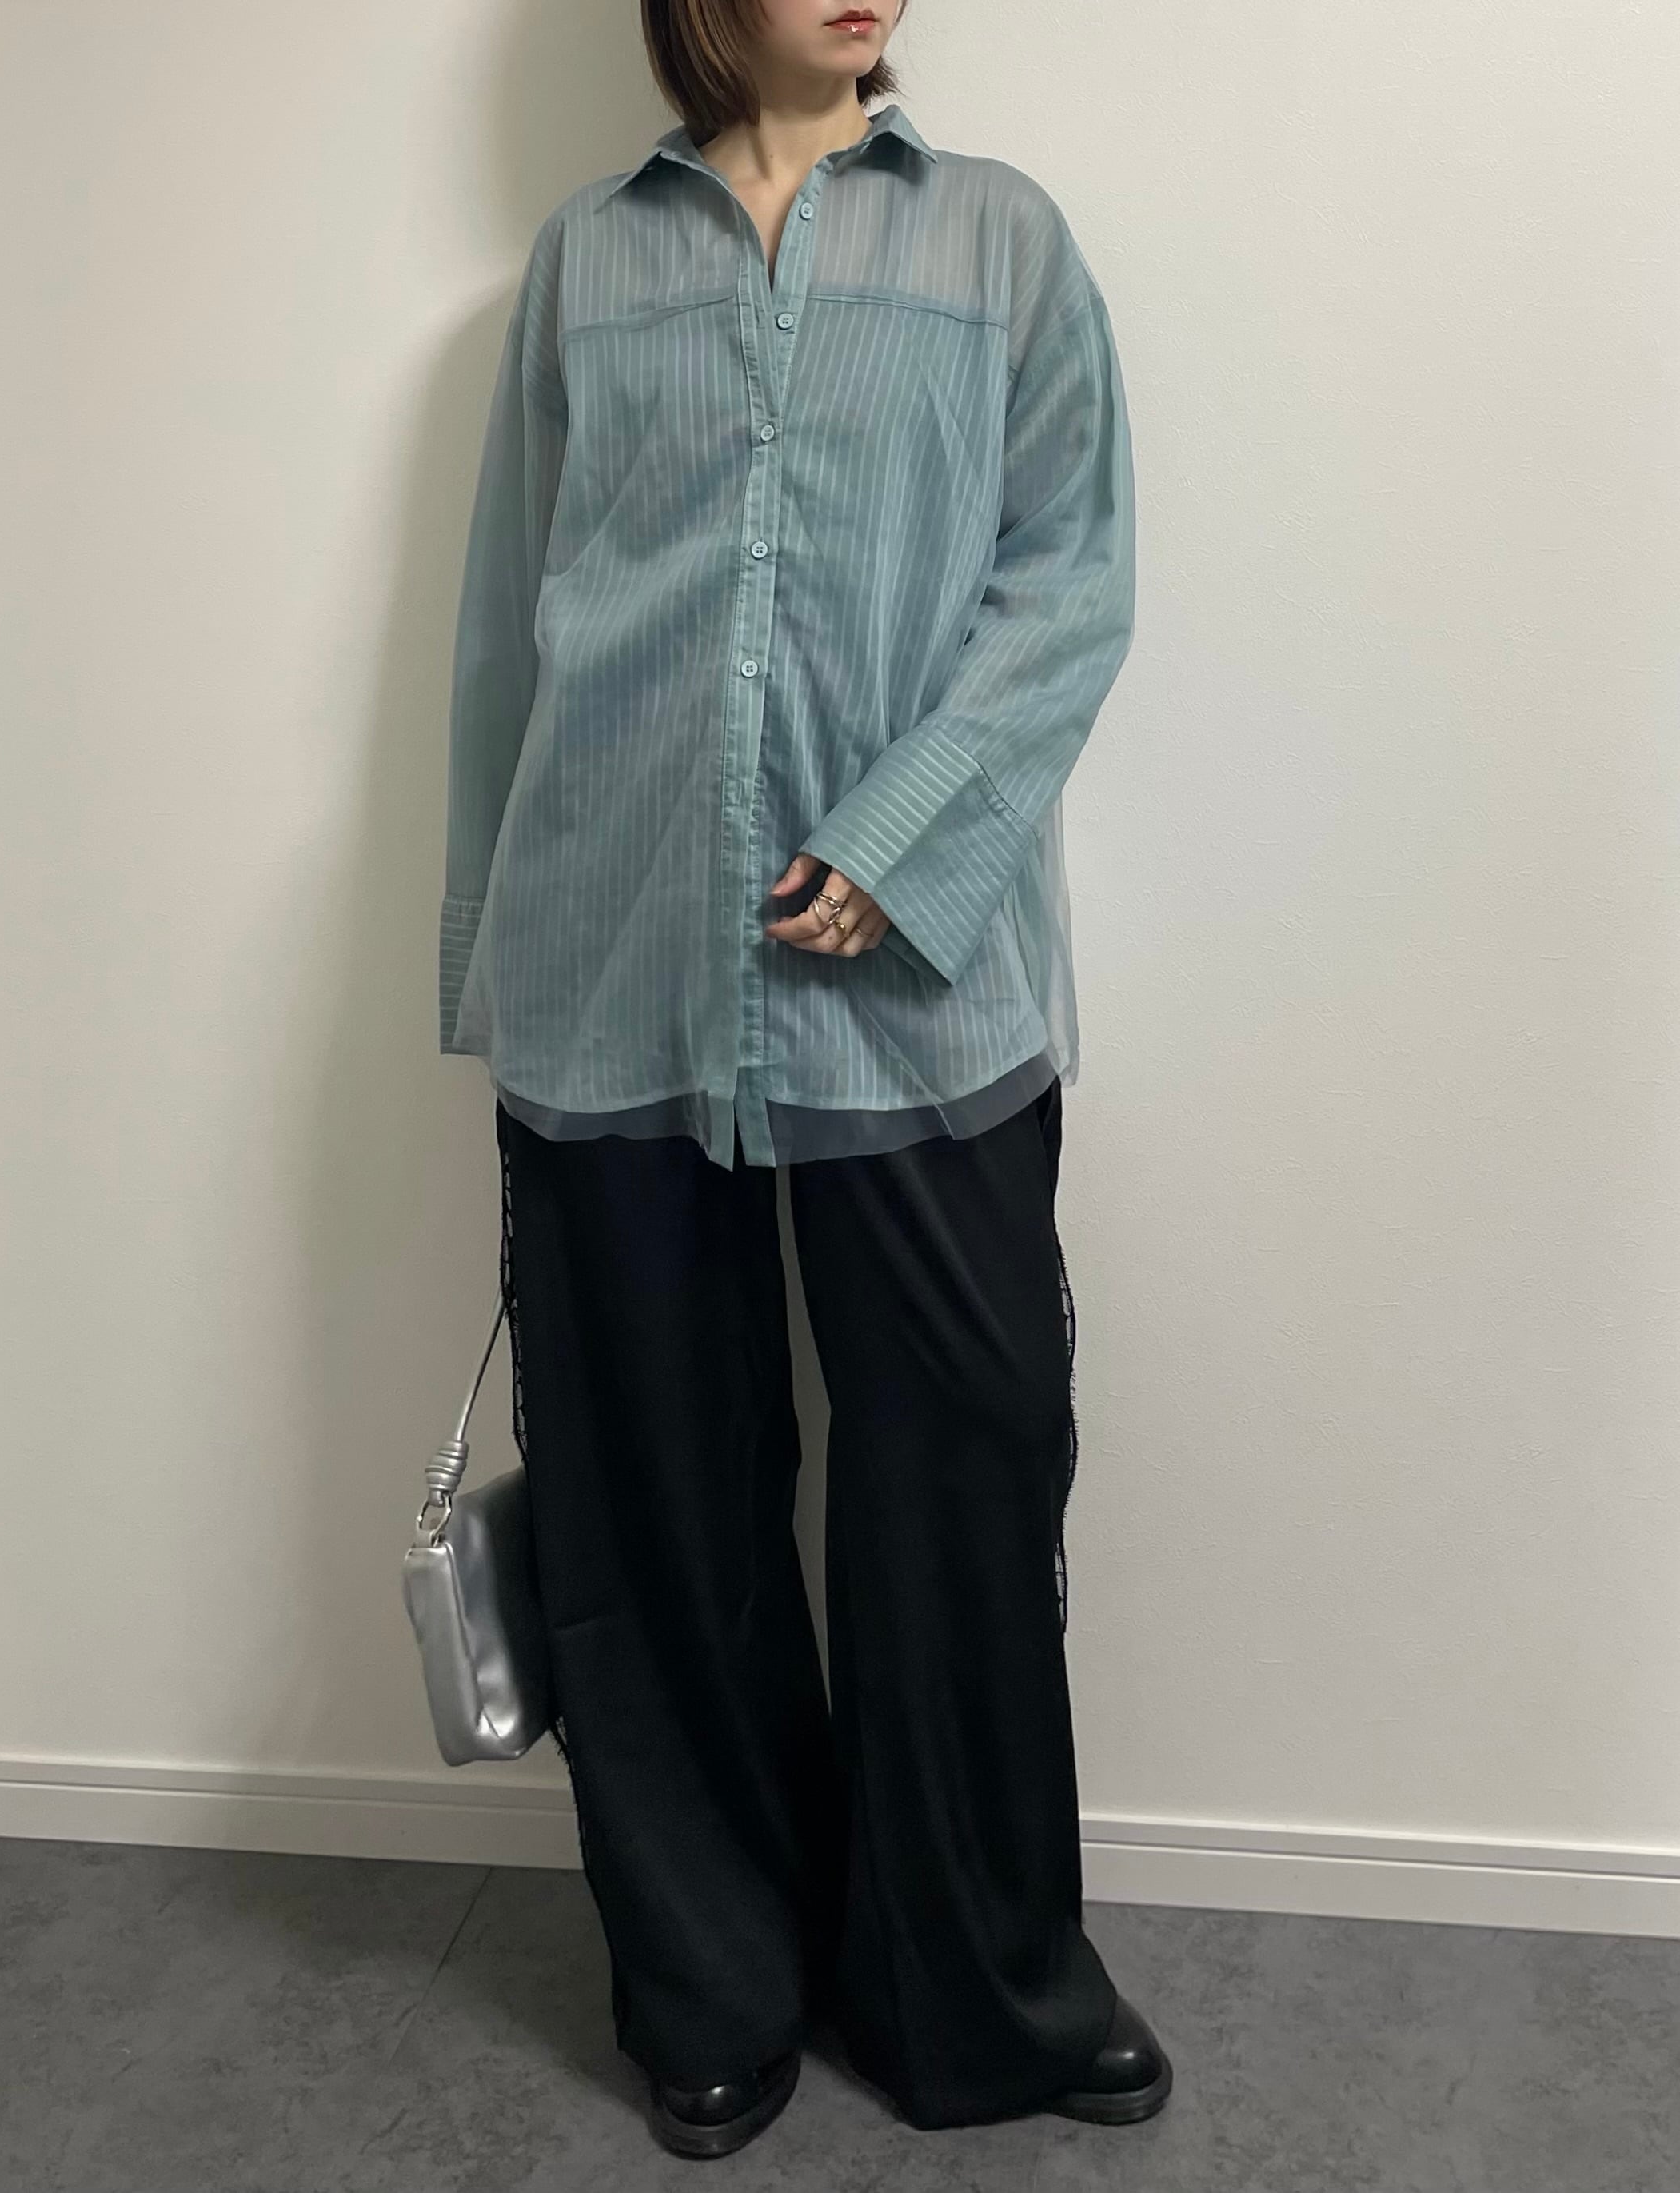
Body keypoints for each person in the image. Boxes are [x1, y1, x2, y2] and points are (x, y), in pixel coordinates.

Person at [439, 0, 1167, 2160]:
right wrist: (498, 959)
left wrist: (910, 829)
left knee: (964, 1475)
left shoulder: (1003, 240)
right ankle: (714, 1978)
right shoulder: (586, 261)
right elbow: (510, 621)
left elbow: (1073, 578)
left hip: (925, 987)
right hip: (618, 956)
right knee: (654, 1497)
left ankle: (983, 1986)